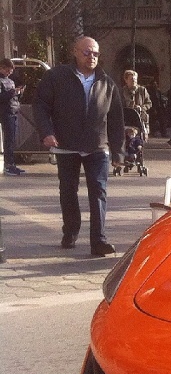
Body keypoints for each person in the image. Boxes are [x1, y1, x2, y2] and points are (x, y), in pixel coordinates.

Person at [33, 35, 125, 256]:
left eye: (95, 53)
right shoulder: (56, 77)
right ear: (75, 52)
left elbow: (116, 119)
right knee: (68, 190)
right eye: (87, 52)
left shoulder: (106, 81)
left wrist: (118, 152)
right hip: (67, 144)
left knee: (99, 192)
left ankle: (99, 240)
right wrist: (46, 132)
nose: (91, 57)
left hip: (97, 146)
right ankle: (71, 231)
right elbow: (41, 105)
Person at [0, 58, 26, 175]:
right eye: (8, 71)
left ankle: (12, 164)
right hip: (6, 112)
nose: (9, 73)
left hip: (13, 110)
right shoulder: (1, 81)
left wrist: (19, 93)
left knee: (12, 140)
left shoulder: (10, 81)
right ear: (2, 68)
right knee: (9, 140)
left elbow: (13, 97)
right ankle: (8, 165)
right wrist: (13, 92)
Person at [120, 70, 151, 142]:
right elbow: (119, 104)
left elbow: (149, 103)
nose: (134, 81)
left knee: (141, 140)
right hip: (127, 118)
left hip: (140, 118)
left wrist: (142, 107)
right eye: (131, 79)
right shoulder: (122, 91)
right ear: (126, 80)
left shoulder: (142, 90)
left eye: (135, 79)